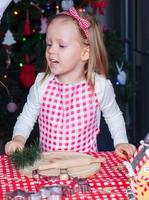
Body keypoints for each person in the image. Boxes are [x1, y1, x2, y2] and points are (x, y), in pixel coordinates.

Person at [5, 7, 136, 158]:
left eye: (61, 45)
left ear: (85, 52)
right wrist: (18, 138)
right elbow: (27, 117)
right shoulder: (42, 84)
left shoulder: (99, 86)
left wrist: (121, 142)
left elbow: (114, 116)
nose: (51, 51)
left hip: (85, 167)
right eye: (49, 44)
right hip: (49, 166)